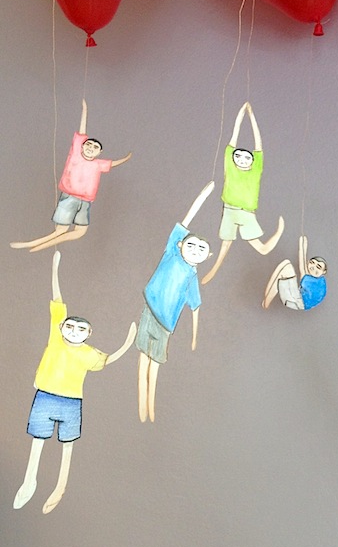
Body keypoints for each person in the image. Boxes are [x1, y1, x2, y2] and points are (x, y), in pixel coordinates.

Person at [13, 251, 136, 514]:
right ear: (61, 327)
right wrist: (55, 267)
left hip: (71, 401)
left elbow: (106, 360)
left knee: (67, 445)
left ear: (89, 333)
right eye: (69, 327)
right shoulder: (56, 338)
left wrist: (127, 343)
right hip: (45, 396)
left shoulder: (89, 354)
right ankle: (29, 481)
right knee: (38, 441)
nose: (74, 331)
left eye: (81, 329)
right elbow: (58, 300)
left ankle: (60, 487)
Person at [137, 182, 214, 423]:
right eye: (191, 245)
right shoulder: (171, 252)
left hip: (166, 325)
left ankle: (151, 408)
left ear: (207, 256)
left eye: (201, 249)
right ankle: (141, 407)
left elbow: (195, 307)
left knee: (155, 364)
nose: (195, 250)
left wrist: (194, 337)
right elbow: (187, 219)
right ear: (179, 244)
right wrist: (203, 195)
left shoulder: (192, 277)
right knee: (143, 360)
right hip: (149, 311)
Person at [11, 99, 132, 252]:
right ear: (81, 146)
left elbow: (112, 163)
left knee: (80, 232)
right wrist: (85, 111)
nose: (91, 148)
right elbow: (82, 131)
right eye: (88, 144)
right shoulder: (76, 154)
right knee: (60, 230)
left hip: (85, 201)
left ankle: (40, 246)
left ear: (99, 152)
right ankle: (30, 244)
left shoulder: (98, 164)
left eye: (95, 147)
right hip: (70, 197)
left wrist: (127, 157)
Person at [202, 102, 284, 285]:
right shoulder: (230, 168)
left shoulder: (255, 170)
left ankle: (278, 233)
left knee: (261, 248)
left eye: (247, 157)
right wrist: (240, 113)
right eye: (238, 156)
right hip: (229, 209)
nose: (242, 159)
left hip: (247, 213)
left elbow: (258, 145)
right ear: (232, 158)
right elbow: (234, 136)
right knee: (226, 243)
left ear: (253, 161)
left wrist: (252, 116)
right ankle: (214, 269)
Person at [262, 235, 326, 311]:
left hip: (296, 302)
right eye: (312, 263)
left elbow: (302, 262)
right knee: (286, 265)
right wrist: (302, 243)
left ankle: (266, 302)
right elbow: (303, 260)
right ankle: (266, 299)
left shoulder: (309, 279)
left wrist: (302, 243)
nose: (313, 267)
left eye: (318, 267)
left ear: (324, 271)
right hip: (297, 300)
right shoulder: (317, 279)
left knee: (286, 266)